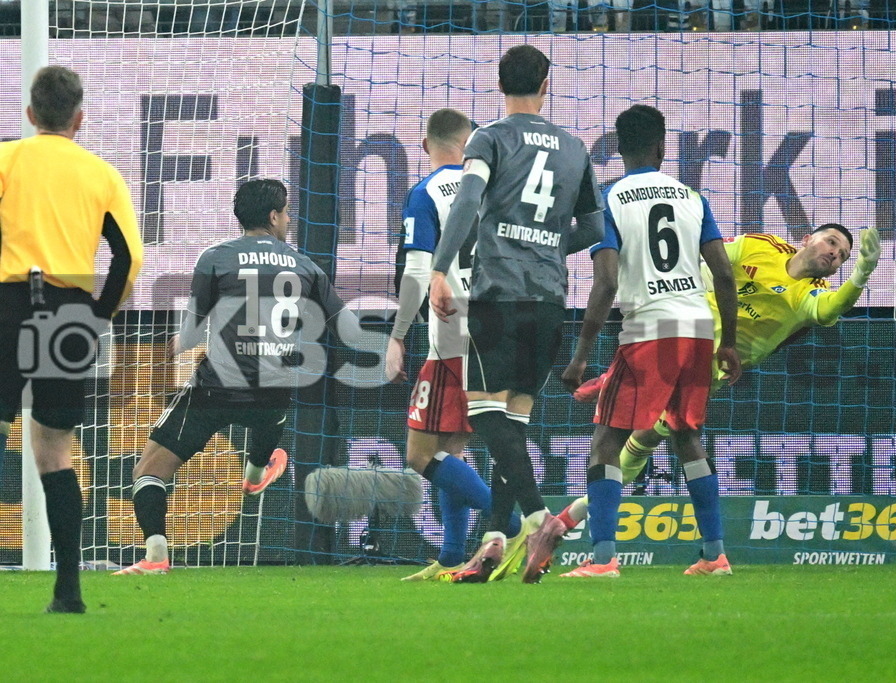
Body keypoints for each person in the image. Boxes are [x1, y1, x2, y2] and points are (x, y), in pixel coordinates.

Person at [561, 221, 881, 575]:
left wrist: (861, 275)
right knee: (646, 439)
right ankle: (711, 557)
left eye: (843, 257)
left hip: (706, 366)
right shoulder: (762, 246)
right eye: (832, 242)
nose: (836, 254)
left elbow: (828, 311)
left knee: (630, 433)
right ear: (807, 239)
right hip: (683, 330)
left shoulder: (810, 295)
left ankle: (589, 538)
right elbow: (709, 258)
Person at [114, 178, 364, 575]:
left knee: (148, 471)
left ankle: (156, 557)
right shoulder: (307, 266)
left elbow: (193, 333)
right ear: (273, 216)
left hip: (218, 386)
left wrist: (158, 355)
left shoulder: (216, 257)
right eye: (285, 212)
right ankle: (254, 474)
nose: (287, 219)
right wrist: (392, 348)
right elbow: (348, 330)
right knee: (271, 413)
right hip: (278, 386)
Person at [428, 44, 605, 583]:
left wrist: (441, 268)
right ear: (546, 82)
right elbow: (596, 231)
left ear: (501, 84)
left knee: (482, 412)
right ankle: (495, 542)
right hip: (550, 298)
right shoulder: (576, 147)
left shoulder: (489, 137)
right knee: (515, 421)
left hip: (499, 293)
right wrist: (547, 246)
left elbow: (466, 201)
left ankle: (536, 520)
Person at [557, 104, 741, 578]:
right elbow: (722, 272)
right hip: (698, 328)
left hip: (649, 332)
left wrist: (580, 355)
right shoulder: (691, 197)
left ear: (618, 149)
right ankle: (714, 553)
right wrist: (730, 343)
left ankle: (602, 560)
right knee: (686, 435)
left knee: (605, 442)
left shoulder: (609, 198)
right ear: (662, 146)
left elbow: (606, 281)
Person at [0, 66, 144, 613]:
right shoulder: (100, 174)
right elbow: (128, 258)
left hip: (9, 303)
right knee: (55, 454)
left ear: (31, 115)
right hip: (71, 317)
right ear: (79, 118)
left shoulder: (7, 160)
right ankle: (68, 590)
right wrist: (98, 316)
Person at [386, 108, 520, 581]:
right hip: (501, 328)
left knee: (420, 454)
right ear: (472, 144)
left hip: (451, 333)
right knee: (453, 446)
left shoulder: (426, 194)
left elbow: (418, 271)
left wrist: (398, 336)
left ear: (428, 146)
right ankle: (450, 557)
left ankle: (514, 521)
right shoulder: (496, 191)